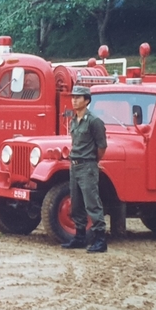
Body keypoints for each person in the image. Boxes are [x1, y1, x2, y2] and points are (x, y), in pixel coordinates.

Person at [62, 86, 108, 253]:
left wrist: (93, 161)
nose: (74, 100)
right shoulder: (74, 120)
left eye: (78, 97)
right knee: (76, 203)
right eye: (73, 97)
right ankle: (80, 236)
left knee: (92, 203)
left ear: (87, 100)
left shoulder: (94, 121)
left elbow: (102, 146)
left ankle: (100, 240)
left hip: (87, 165)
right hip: (74, 166)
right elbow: (75, 143)